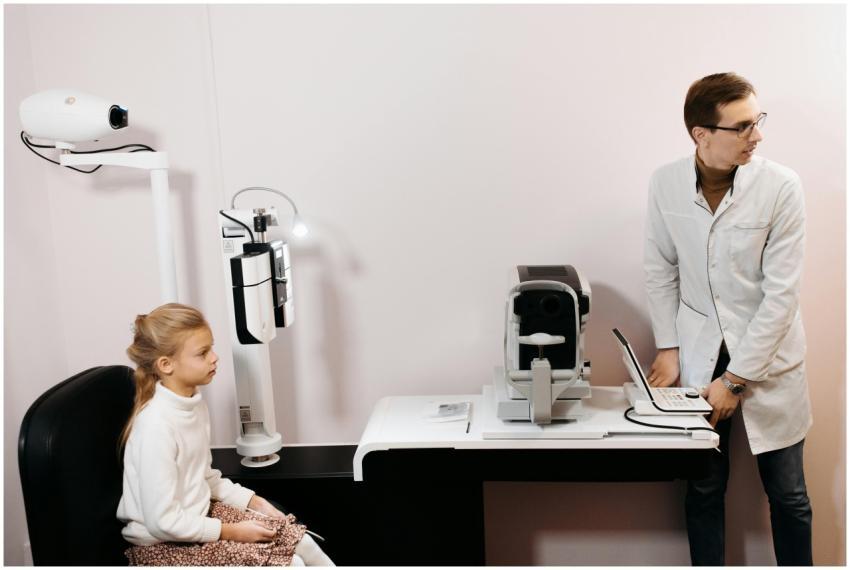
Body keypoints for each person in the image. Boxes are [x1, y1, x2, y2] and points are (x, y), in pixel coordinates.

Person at [643, 72, 813, 565]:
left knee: (789, 497)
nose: (756, 136)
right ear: (702, 134)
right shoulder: (666, 183)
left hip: (767, 359)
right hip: (698, 354)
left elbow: (780, 296)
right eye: (742, 126)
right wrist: (669, 348)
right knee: (702, 492)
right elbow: (660, 267)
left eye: (756, 121)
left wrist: (736, 380)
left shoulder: (781, 186)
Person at [116, 302, 334, 566]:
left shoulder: (193, 405)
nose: (214, 357)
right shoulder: (156, 427)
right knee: (291, 564)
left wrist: (255, 502)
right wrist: (231, 531)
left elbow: (204, 478)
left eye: (212, 348)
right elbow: (163, 522)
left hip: (199, 518)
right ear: (166, 364)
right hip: (163, 545)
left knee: (302, 542)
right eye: (202, 353)